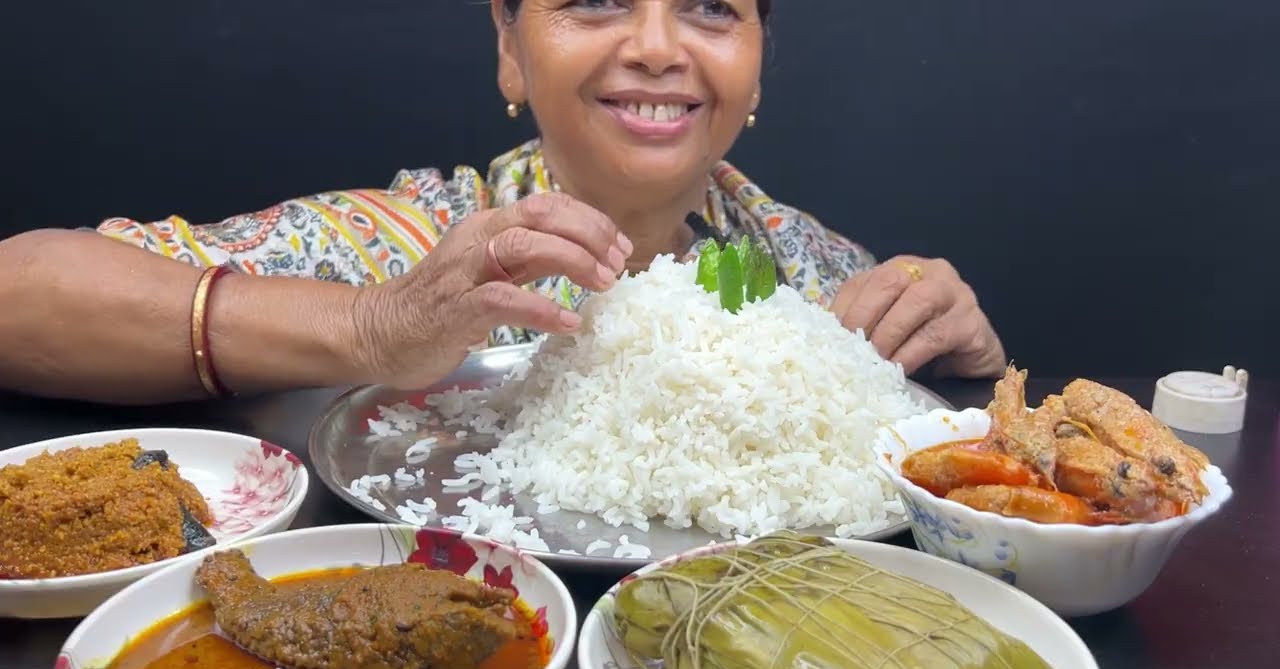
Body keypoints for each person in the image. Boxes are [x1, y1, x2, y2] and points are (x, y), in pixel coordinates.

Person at [0, 0, 1005, 405]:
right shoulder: (403, 243)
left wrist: (977, 369)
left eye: (711, 8)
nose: (658, 47)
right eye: (596, 1)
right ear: (508, 50)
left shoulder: (817, 271)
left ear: (756, 69)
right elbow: (20, 293)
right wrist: (373, 325)